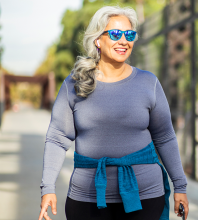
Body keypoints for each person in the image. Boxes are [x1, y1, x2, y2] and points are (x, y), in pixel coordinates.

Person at [38, 5, 189, 220]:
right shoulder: (75, 84)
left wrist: (180, 186)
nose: (124, 41)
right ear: (98, 40)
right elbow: (57, 138)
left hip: (145, 197)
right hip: (87, 198)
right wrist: (48, 187)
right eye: (116, 34)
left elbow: (164, 137)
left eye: (129, 34)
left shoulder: (148, 83)